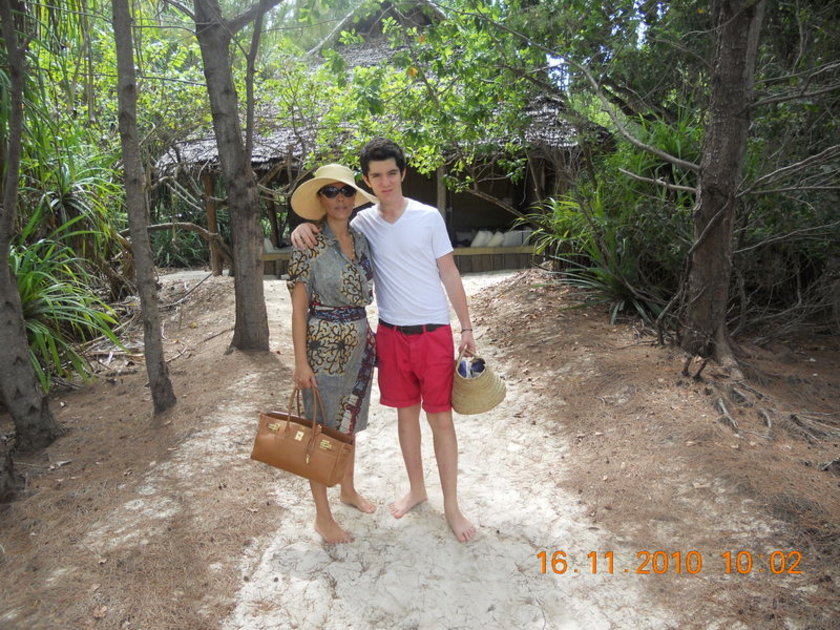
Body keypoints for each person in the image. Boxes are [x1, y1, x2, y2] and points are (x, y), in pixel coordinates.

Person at [291, 138, 478, 542]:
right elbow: (324, 230)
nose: (385, 181)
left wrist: (465, 327)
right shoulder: (363, 224)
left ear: (403, 173)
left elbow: (449, 272)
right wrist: (300, 227)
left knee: (440, 420)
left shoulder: (427, 217)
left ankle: (452, 506)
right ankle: (416, 489)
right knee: (405, 418)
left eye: (392, 172)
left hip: (432, 332)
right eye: (376, 175)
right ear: (367, 181)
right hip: (390, 335)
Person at [287, 163, 379, 544]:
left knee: (349, 423)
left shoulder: (362, 240)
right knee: (321, 431)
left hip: (359, 347)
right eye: (330, 192)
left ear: (355, 197)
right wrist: (300, 363)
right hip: (322, 352)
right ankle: (322, 517)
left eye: (346, 191)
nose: (340, 199)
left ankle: (348, 489)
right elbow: (298, 311)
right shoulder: (307, 245)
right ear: (320, 199)